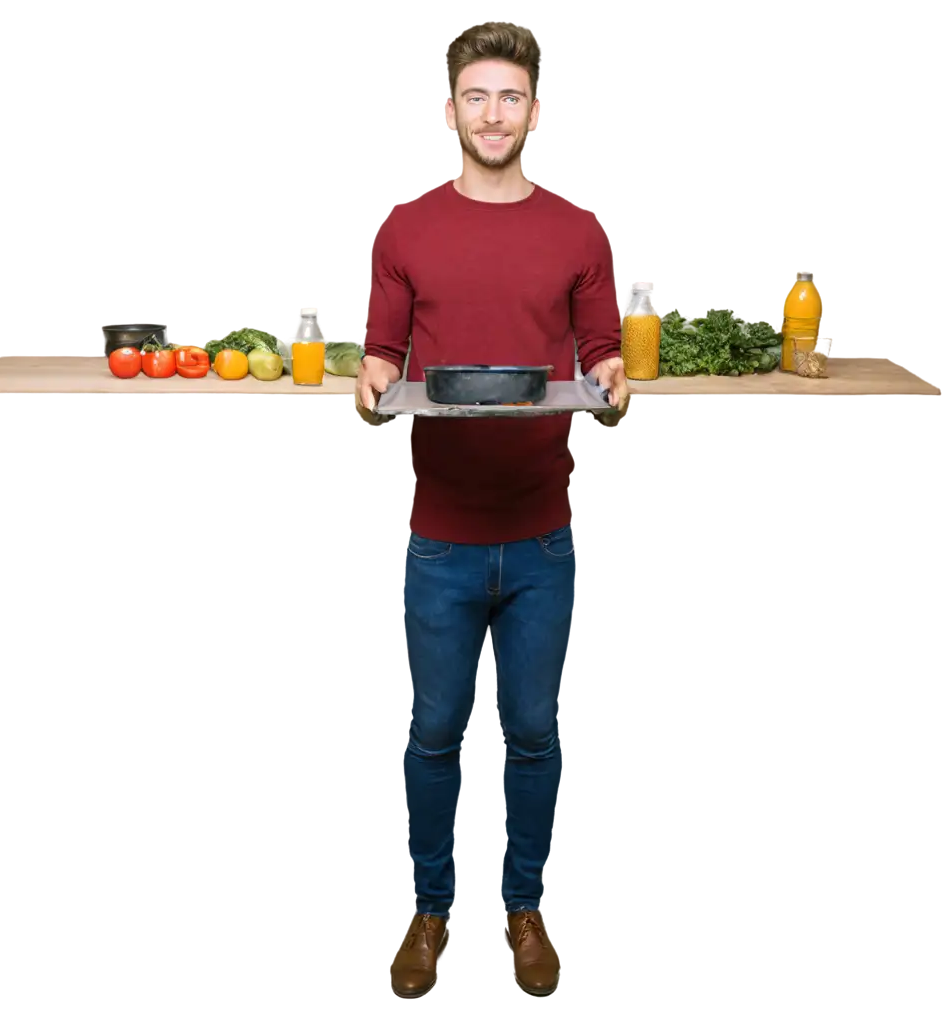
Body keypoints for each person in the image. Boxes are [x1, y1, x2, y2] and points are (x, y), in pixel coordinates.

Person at [356, 22, 628, 999]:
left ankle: (522, 907)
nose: (494, 113)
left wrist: (607, 367)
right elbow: (384, 345)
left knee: (532, 735)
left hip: (542, 535)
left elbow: (598, 341)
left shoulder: (576, 231)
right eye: (477, 95)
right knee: (431, 738)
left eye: (510, 96)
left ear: (534, 113)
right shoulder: (401, 228)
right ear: (447, 112)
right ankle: (429, 913)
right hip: (439, 539)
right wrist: (375, 372)